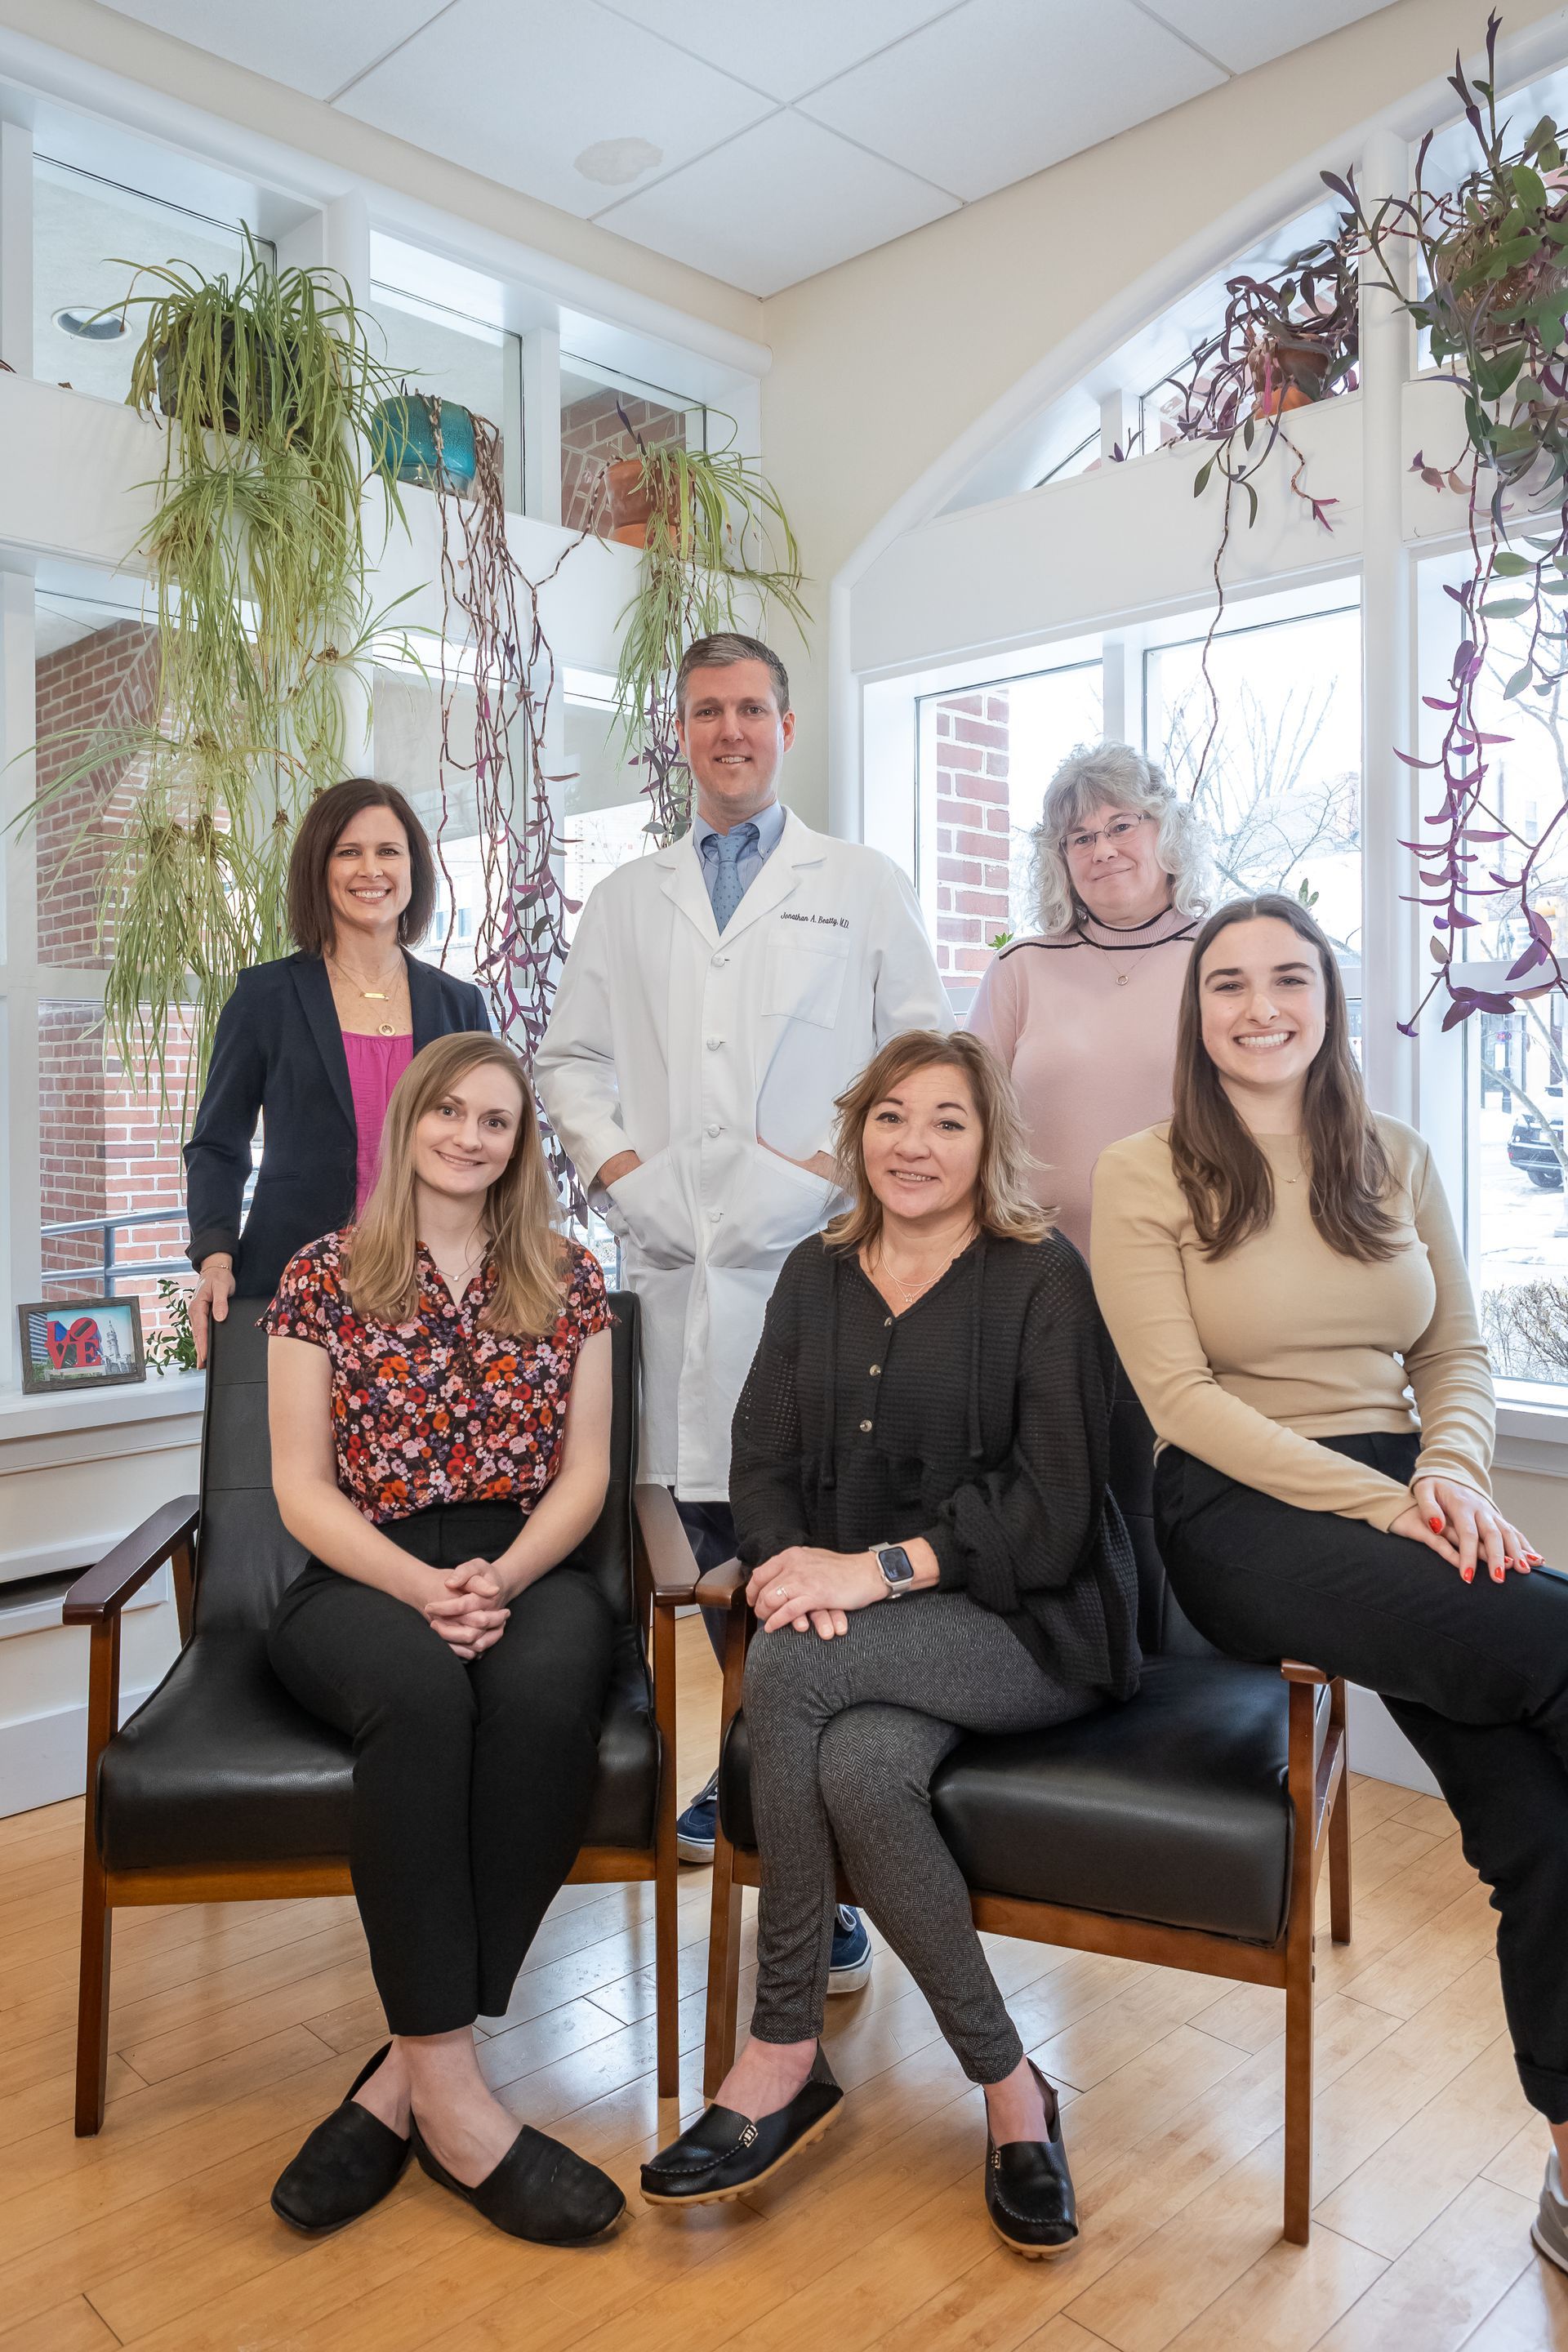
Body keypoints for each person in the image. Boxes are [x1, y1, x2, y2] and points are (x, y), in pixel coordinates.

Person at [1090, 893, 1568, 2283]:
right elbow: (1178, 1400)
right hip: (1245, 1512)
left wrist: (1457, 1478)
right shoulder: (1147, 1170)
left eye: (1287, 977)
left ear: (1327, 996)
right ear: (1196, 1013)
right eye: (1226, 983)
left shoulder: (1394, 1154)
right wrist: (1395, 1506)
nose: (1258, 1005)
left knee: (1540, 1824)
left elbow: (1456, 1356)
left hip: (1414, 1502)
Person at [640, 1030, 1139, 2257]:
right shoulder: (817, 1273)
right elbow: (758, 1459)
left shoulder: (1038, 1277)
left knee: (798, 1676)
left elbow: (1055, 1509)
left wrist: (865, 1575)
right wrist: (783, 1571)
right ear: (859, 1132)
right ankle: (1013, 2089)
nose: (916, 1144)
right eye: (892, 1116)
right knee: (856, 1764)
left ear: (990, 1143)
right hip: (859, 1628)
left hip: (1032, 1622)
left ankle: (782, 2049)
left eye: (949, 1120)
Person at [537, 630, 950, 1987]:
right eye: (705, 711)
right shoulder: (627, 898)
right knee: (706, 1551)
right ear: (681, 731)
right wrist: (621, 1175)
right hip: (670, 1271)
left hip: (822, 1273)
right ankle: (750, 1783)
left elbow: (921, 1061)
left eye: (751, 710)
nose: (730, 731)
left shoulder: (864, 887)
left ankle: (806, 1856)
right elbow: (571, 1058)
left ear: (787, 724)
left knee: (807, 1569)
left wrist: (820, 1175)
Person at [262, 1032, 623, 2247]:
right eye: (451, 1112)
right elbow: (301, 1491)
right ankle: (463, 2112)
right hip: (363, 1569)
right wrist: (426, 1591)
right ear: (410, 1119)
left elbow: (587, 1478)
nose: (471, 1136)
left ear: (521, 1148)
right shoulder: (321, 1275)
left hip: (527, 1556)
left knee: (547, 1691)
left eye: (499, 1122)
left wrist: (504, 1576)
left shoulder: (569, 1278)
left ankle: (403, 2080)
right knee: (423, 1700)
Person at [185, 776, 490, 1361]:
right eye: (348, 852)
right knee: (288, 1456)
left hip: (432, 1292)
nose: (370, 870)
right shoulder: (264, 997)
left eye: (388, 852)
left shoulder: (460, 1006)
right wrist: (216, 1260)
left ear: (414, 869)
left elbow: (488, 1148)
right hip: (295, 1290)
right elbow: (217, 1145)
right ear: (319, 870)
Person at [967, 743, 1207, 1253]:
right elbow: (965, 1114)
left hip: (1192, 1257)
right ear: (1061, 860)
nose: (1102, 850)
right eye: (1081, 838)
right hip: (1035, 1263)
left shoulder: (1221, 958)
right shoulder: (1020, 968)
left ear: (1167, 832)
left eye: (1122, 826)